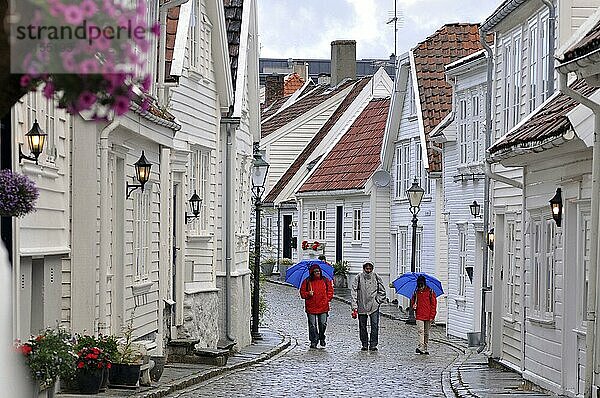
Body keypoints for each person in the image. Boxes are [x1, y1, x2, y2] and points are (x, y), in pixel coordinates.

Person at [351, 262, 386, 351]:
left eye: (370, 268)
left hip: (374, 305)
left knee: (374, 325)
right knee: (362, 326)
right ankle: (364, 343)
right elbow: (353, 292)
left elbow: (382, 291)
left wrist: (377, 301)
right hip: (361, 304)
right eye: (367, 268)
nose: (368, 270)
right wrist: (354, 305)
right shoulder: (358, 277)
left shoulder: (376, 277)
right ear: (364, 268)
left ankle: (373, 344)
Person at [300, 264, 334, 349]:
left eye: (318, 271)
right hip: (311, 306)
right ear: (312, 273)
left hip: (323, 306)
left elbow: (330, 291)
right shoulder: (307, 281)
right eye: (315, 272)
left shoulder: (325, 280)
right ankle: (313, 340)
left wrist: (327, 299)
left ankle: (321, 337)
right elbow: (302, 294)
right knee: (312, 325)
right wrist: (308, 294)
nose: (317, 273)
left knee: (323, 323)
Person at [410, 275, 437, 355]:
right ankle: (421, 346)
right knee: (420, 331)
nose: (420, 288)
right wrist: (413, 305)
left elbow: (433, 305)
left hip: (428, 315)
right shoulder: (416, 292)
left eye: (422, 286)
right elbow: (413, 302)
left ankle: (425, 347)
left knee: (426, 333)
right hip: (419, 315)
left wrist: (432, 316)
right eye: (419, 286)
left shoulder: (430, 292)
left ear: (424, 284)